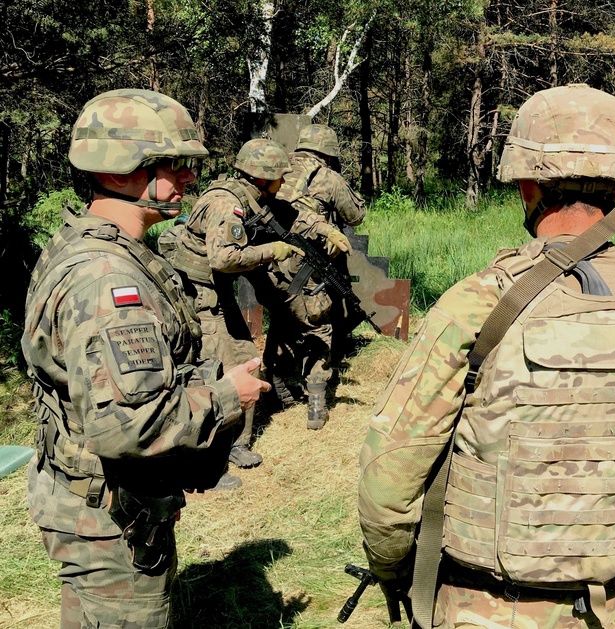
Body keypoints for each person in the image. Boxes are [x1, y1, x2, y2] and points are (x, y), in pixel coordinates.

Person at [357, 84, 615, 629]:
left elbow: (392, 472)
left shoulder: (482, 302)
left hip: (490, 608)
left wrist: (393, 569)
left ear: (526, 183)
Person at [21, 89, 271, 628]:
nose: (187, 178)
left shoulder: (85, 243)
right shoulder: (109, 281)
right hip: (110, 523)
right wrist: (229, 395)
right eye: (172, 164)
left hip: (83, 504)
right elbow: (126, 427)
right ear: (117, 174)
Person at [163, 138, 304, 479]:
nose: (282, 182)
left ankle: (235, 443)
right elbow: (223, 258)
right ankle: (207, 457)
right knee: (211, 370)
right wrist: (272, 250)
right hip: (198, 296)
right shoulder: (229, 205)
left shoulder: (245, 196)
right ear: (260, 177)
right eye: (278, 176)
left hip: (213, 291)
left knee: (244, 357)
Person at [268, 124, 363, 427]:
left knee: (281, 317)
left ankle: (278, 388)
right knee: (319, 327)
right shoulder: (328, 177)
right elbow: (356, 215)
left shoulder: (277, 167)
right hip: (304, 263)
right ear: (329, 153)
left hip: (268, 260)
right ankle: (317, 403)